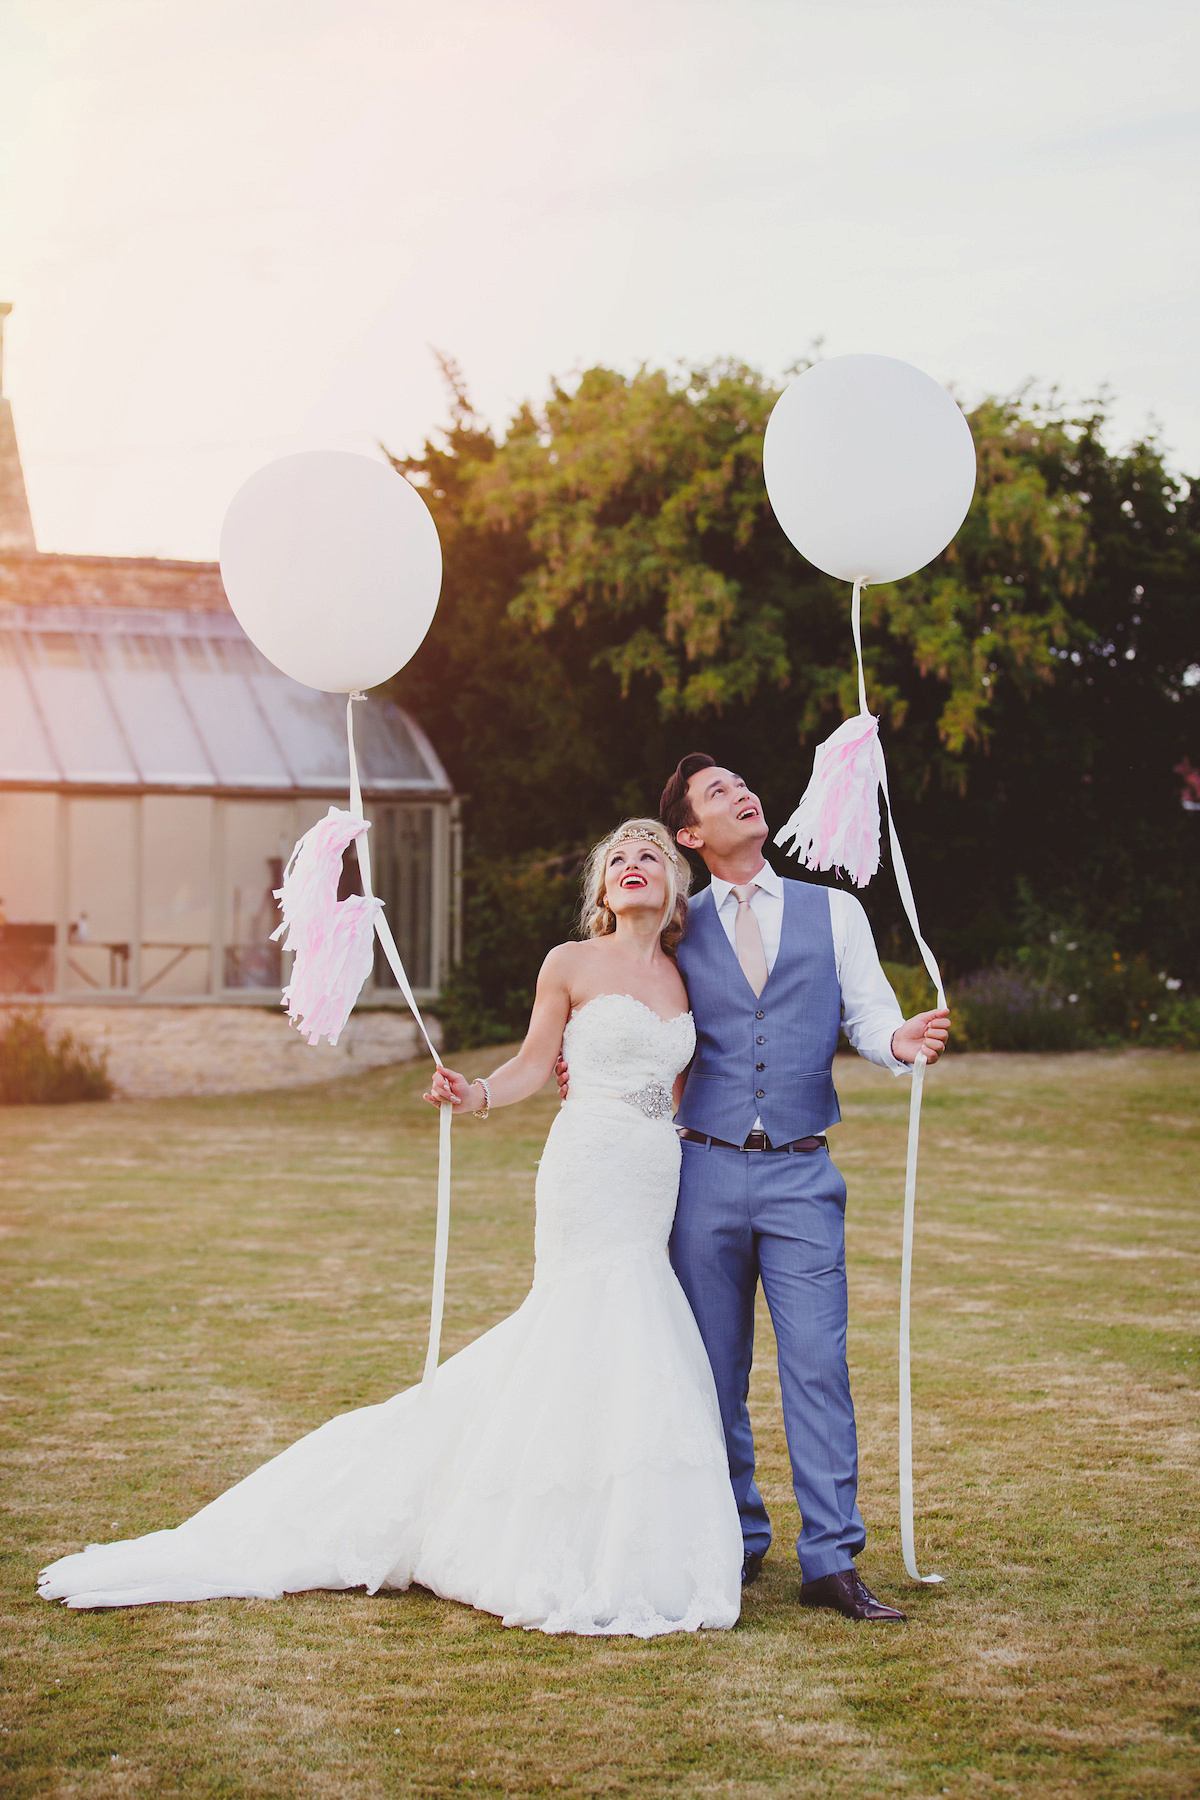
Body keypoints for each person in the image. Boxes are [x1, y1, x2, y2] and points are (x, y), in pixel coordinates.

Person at [38, 819, 743, 1638]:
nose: (632, 865)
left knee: (635, 1331)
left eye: (649, 854)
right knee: (587, 1315)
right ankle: (534, 1532)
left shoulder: (686, 977)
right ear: (600, 890)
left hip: (656, 1169)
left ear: (674, 884)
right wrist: (477, 1094)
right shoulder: (570, 963)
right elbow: (529, 1063)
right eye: (617, 857)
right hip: (587, 1166)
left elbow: (686, 1085)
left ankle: (622, 1532)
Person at [658, 754, 949, 1622]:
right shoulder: (675, 925)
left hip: (801, 1171)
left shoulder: (836, 911)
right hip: (700, 1171)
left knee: (819, 1367)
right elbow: (642, 1018)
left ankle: (829, 1559)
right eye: (719, 794)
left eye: (743, 785)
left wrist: (901, 1043)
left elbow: (868, 1017)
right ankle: (735, 1539)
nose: (743, 795)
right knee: (712, 1371)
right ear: (690, 835)